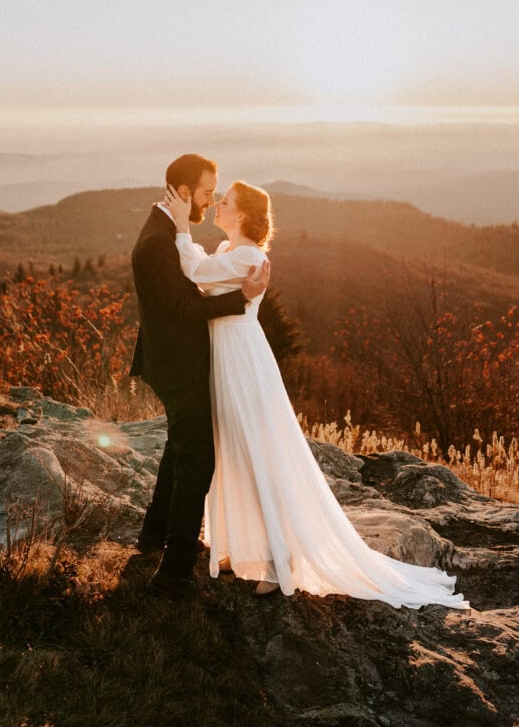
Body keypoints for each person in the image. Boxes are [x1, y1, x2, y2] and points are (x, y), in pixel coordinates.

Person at [164, 179, 469, 609]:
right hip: (227, 357)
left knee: (255, 453)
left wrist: (180, 226)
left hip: (242, 361)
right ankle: (240, 544)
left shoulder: (249, 256)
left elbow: (193, 271)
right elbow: (203, 268)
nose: (217, 204)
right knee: (229, 448)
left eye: (226, 202)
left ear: (245, 213)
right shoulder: (227, 253)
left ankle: (278, 557)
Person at [129, 154, 270, 601]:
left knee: (179, 449)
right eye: (209, 193)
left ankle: (154, 537)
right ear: (186, 193)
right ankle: (174, 572)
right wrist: (240, 300)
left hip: (183, 360)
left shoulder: (166, 229)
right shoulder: (159, 240)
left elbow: (197, 277)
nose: (211, 203)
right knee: (198, 462)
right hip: (178, 364)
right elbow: (184, 308)